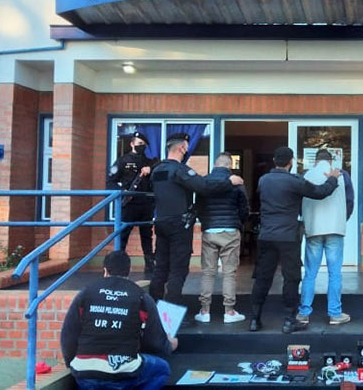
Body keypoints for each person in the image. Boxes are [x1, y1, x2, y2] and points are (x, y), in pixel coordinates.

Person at [248, 146, 340, 333]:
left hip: (266, 236)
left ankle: (255, 320)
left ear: (274, 161)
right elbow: (320, 192)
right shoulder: (294, 181)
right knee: (291, 278)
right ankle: (290, 320)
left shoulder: (263, 180)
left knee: (262, 278)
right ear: (291, 162)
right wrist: (333, 179)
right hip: (288, 237)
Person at [60, 250, 178, 390]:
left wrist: (71, 363)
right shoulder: (141, 297)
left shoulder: (86, 293)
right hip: (123, 374)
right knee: (162, 370)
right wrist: (170, 345)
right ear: (129, 271)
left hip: (85, 374)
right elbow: (154, 341)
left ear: (105, 271)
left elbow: (68, 334)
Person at [149, 132, 243, 305]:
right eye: (186, 148)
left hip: (161, 222)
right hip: (178, 225)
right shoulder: (180, 170)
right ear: (181, 148)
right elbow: (203, 186)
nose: (186, 151)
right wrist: (230, 182)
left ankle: (152, 308)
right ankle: (171, 314)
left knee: (160, 267)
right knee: (178, 270)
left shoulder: (157, 170)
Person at [297, 149, 355, 327]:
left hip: (313, 229)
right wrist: (342, 220)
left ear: (315, 161)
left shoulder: (305, 175)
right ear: (331, 161)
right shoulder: (342, 175)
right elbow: (350, 201)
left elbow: (299, 201)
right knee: (334, 273)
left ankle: (304, 313)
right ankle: (335, 313)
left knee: (310, 273)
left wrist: (305, 220)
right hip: (335, 229)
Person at [193, 152, 249, 325]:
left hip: (210, 230)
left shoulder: (204, 182)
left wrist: (206, 222)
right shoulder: (236, 182)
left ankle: (205, 311)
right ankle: (229, 311)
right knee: (229, 273)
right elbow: (244, 208)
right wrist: (239, 222)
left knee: (208, 272)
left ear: (215, 165)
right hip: (230, 230)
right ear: (229, 166)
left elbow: (199, 207)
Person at [106, 131, 157, 276]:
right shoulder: (122, 161)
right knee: (123, 236)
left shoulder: (149, 162)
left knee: (147, 237)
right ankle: (118, 268)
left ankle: (149, 267)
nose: (142, 147)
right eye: (139, 144)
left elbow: (160, 170)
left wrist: (151, 169)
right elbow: (110, 182)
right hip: (129, 204)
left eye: (144, 145)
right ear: (132, 144)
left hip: (146, 205)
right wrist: (122, 192)